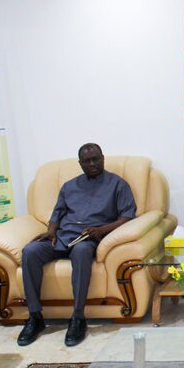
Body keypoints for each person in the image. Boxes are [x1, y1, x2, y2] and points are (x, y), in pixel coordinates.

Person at [17, 143, 136, 347]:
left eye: (96, 159)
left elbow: (127, 216)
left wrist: (102, 230)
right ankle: (35, 317)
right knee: (30, 250)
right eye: (87, 161)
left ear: (103, 158)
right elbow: (57, 214)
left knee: (81, 252)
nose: (92, 164)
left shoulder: (118, 184)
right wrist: (51, 230)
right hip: (62, 236)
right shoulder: (69, 186)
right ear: (80, 164)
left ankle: (78, 317)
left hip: (89, 238)